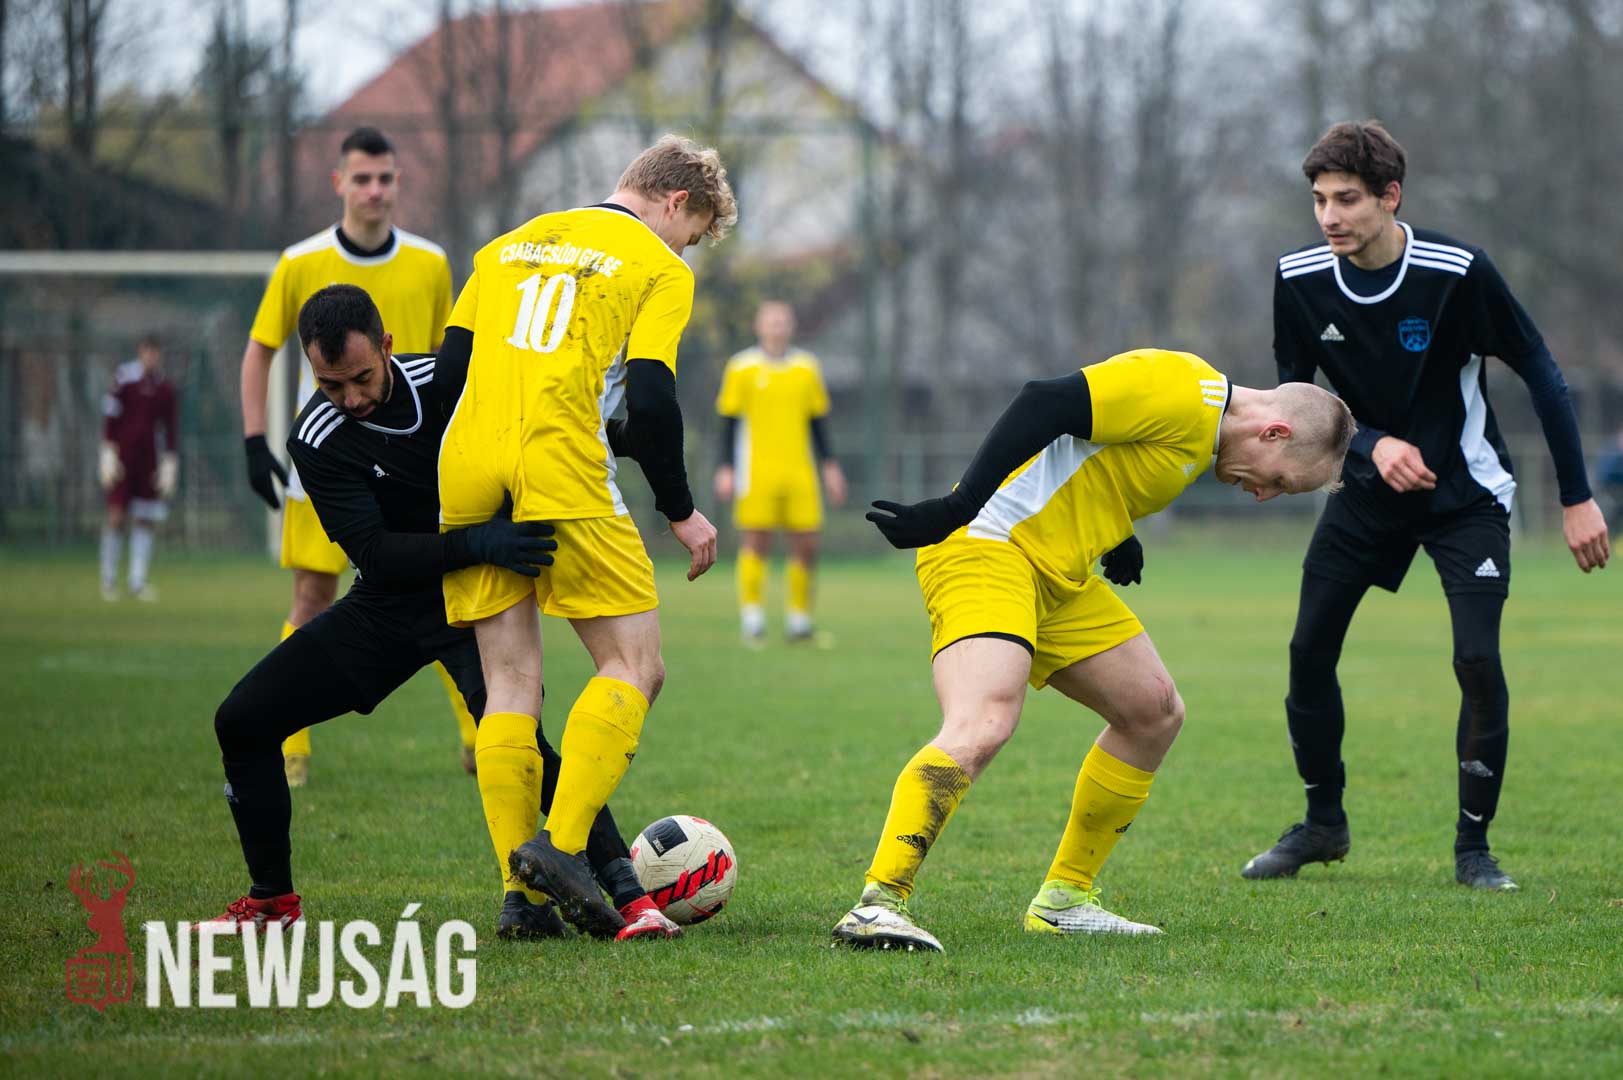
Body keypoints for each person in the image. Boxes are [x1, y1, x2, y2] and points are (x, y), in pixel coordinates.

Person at [830, 349, 1356, 952]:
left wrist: (1119, 533)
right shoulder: (1185, 389)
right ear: (1274, 432)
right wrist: (957, 506)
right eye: (1281, 481)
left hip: (1060, 572)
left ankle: (1064, 901)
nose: (1264, 495)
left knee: (1153, 712)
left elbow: (1093, 455)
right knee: (984, 721)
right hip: (990, 547)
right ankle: (877, 904)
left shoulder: (1206, 435)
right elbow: (1046, 402)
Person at [203, 285, 682, 941]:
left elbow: (536, 430)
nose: (349, 398)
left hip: (480, 600)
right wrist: (476, 542)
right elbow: (375, 552)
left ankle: (626, 897)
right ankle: (272, 905)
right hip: (388, 606)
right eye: (330, 384)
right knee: (242, 720)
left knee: (522, 743)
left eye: (361, 377)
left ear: (387, 346)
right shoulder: (315, 438)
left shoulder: (450, 381)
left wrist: (621, 436)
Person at [1243, 120, 1610, 893]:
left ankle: (1473, 849)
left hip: (1463, 495)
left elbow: (1541, 371)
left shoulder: (1455, 271)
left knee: (1474, 659)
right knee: (1308, 652)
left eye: (1346, 199)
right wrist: (1371, 443)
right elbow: (1294, 402)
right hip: (1363, 495)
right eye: (1319, 200)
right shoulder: (1299, 278)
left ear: (1390, 197)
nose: (1329, 216)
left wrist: (1576, 497)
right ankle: (1321, 824)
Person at [439, 134, 735, 938]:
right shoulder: (657, 266)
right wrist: (680, 508)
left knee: (509, 683)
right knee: (635, 664)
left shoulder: (506, 245)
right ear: (676, 201)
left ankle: (522, 899)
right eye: (692, 234)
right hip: (559, 464)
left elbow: (451, 370)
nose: (686, 251)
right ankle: (562, 847)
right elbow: (651, 394)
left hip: (464, 465)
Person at [237, 125, 474, 787]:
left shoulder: (430, 262)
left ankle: (480, 738)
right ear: (339, 182)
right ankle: (291, 745)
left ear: (399, 182)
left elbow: (449, 362)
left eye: (385, 178)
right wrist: (254, 439)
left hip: (415, 466)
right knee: (312, 595)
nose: (374, 190)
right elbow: (259, 350)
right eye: (362, 178)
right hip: (332, 465)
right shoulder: (300, 261)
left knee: (448, 595)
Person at [713, 300, 847, 646]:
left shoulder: (806, 368)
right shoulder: (741, 367)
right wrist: (726, 468)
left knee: (807, 543)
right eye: (771, 321)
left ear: (792, 326)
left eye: (783, 321)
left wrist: (830, 466)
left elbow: (818, 422)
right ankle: (753, 620)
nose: (777, 327)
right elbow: (729, 421)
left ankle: (799, 622)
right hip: (756, 471)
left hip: (799, 471)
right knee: (756, 542)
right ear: (759, 326)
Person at [99, 333, 178, 602]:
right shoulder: (124, 379)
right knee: (116, 516)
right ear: (140, 351)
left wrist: (170, 461)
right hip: (123, 459)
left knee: (145, 518)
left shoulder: (164, 387)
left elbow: (170, 427)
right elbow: (110, 416)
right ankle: (108, 579)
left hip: (149, 461)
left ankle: (137, 580)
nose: (151, 357)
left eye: (155, 353)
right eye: (147, 352)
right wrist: (107, 451)